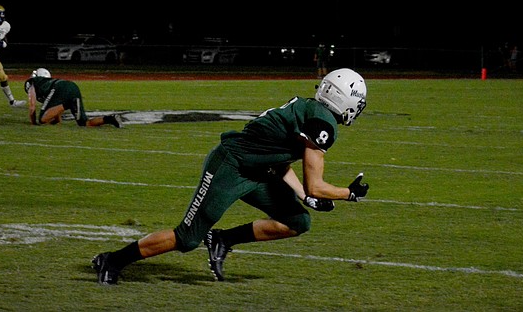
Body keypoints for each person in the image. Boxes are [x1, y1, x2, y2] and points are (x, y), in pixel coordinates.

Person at [91, 67, 370, 285]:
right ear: (347, 99)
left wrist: (303, 196)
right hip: (230, 167)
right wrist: (348, 193)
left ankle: (223, 239)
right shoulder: (322, 123)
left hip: (258, 171)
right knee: (187, 238)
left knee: (297, 221)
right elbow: (316, 185)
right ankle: (113, 261)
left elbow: (278, 159)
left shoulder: (310, 109)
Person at [23, 68, 121, 128]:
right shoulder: (48, 84)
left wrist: (33, 123)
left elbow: (32, 106)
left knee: (42, 119)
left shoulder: (32, 82)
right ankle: (110, 119)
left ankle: (69, 104)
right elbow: (55, 104)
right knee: (84, 123)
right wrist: (56, 120)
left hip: (60, 88)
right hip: (72, 86)